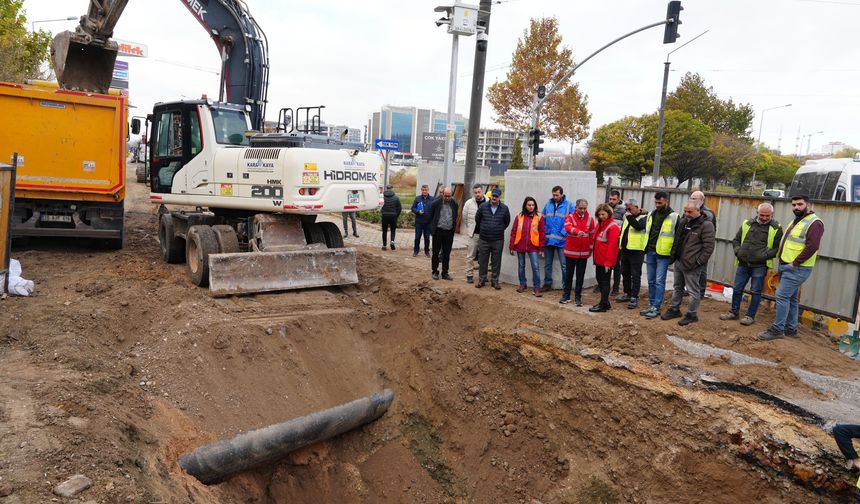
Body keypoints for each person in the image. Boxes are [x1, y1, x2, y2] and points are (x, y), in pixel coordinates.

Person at [758, 195, 825, 341]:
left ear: (808, 204)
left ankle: (777, 330)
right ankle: (790, 328)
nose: (796, 207)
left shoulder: (815, 223)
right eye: (794, 205)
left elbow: (813, 246)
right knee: (792, 299)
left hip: (796, 268)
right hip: (787, 266)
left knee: (781, 296)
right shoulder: (798, 220)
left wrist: (794, 263)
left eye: (799, 204)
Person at [720, 203, 783, 326]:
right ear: (757, 213)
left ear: (772, 215)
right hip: (743, 263)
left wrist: (763, 256)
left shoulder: (776, 228)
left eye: (767, 216)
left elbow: (777, 248)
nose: (764, 218)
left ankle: (750, 316)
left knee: (755, 291)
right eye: (762, 215)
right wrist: (738, 251)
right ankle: (734, 312)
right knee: (737, 289)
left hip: (760, 265)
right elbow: (736, 240)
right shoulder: (747, 224)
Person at [660, 201, 716, 326]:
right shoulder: (683, 222)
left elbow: (709, 248)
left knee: (693, 291)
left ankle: (692, 314)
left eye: (690, 212)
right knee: (677, 287)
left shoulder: (706, 225)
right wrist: (673, 256)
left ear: (698, 211)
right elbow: (677, 240)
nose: (686, 214)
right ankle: (674, 309)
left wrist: (698, 262)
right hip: (680, 261)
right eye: (685, 211)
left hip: (692, 264)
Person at [640, 192, 679, 319]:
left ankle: (656, 307)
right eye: (656, 203)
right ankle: (652, 305)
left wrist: (673, 254)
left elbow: (677, 238)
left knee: (659, 281)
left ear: (666, 201)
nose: (657, 205)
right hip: (651, 251)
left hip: (663, 254)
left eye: (660, 203)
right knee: (651, 280)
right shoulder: (651, 214)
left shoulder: (674, 216)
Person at [559, 199, 595, 306]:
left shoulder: (590, 219)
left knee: (580, 276)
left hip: (583, 253)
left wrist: (591, 249)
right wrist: (577, 231)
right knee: (568, 275)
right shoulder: (569, 217)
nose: (583, 210)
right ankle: (566, 295)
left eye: (585, 208)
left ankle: (578, 298)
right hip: (571, 252)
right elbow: (567, 227)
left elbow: (592, 235)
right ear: (576, 207)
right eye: (581, 208)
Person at [474, 188, 511, 289]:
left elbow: (507, 222)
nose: (494, 198)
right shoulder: (483, 206)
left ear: (499, 197)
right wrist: (484, 227)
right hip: (484, 239)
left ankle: (494, 281)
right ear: (490, 197)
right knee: (483, 260)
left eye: (496, 196)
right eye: (493, 196)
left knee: (496, 261)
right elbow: (477, 219)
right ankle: (482, 280)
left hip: (497, 240)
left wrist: (499, 229)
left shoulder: (504, 208)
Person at [509, 196, 546, 296]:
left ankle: (537, 288)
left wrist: (541, 248)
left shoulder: (539, 216)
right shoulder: (519, 216)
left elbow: (542, 233)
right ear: (525, 206)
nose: (531, 207)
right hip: (520, 245)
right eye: (529, 205)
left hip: (533, 246)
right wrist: (511, 246)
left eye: (533, 205)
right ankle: (522, 284)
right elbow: (514, 231)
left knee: (535, 267)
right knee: (521, 266)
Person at [616, 198, 647, 309]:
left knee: (635, 275)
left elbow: (638, 226)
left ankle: (634, 297)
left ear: (637, 207)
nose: (627, 211)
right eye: (626, 209)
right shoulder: (628, 217)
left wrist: (628, 216)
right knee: (625, 273)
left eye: (629, 208)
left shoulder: (644, 217)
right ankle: (627, 293)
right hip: (625, 250)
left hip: (637, 251)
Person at [590, 203, 621, 312]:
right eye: (599, 214)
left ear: (609, 213)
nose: (601, 216)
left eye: (603, 214)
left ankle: (603, 305)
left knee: (604, 281)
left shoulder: (612, 227)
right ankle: (605, 302)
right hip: (599, 259)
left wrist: (608, 262)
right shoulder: (601, 224)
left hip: (605, 261)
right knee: (600, 280)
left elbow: (613, 246)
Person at [542, 186, 574, 292]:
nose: (555, 197)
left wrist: (563, 233)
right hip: (548, 240)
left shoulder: (569, 205)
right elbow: (543, 219)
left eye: (557, 195)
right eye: (553, 195)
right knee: (547, 264)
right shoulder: (548, 204)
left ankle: (566, 286)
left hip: (562, 241)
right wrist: (545, 232)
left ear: (562, 194)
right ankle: (547, 284)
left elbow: (572, 220)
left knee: (564, 265)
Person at [428, 187, 458, 280]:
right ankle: (435, 271)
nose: (448, 198)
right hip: (438, 231)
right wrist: (432, 230)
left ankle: (445, 272)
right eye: (446, 196)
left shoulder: (454, 203)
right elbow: (431, 216)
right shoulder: (435, 203)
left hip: (449, 232)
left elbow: (455, 215)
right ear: (442, 194)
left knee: (446, 253)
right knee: (436, 252)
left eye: (449, 196)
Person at [690, 190, 717, 297]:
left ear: (702, 200)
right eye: (691, 198)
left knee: (701, 269)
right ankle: (692, 288)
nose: (692, 200)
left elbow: (708, 231)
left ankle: (701, 291)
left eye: (694, 198)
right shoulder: (690, 210)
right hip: (691, 245)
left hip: (701, 245)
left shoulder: (708, 213)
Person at [460, 184, 486, 284]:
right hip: (473, 234)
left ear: (482, 191)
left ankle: (482, 275)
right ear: (473, 193)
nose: (477, 194)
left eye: (479, 192)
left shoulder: (488, 202)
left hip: (485, 235)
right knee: (470, 255)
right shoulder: (469, 203)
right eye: (475, 193)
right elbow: (464, 217)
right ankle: (469, 275)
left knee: (484, 256)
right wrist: (470, 228)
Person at [607, 190, 626, 296]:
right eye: (610, 199)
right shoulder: (606, 208)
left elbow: (624, 227)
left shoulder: (623, 211)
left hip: (617, 242)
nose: (611, 201)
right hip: (606, 242)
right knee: (605, 264)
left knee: (617, 266)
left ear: (618, 199)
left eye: (614, 199)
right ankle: (604, 285)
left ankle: (616, 287)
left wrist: (620, 243)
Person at [411, 185, 434, 257]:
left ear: (428, 190)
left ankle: (427, 251)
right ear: (421, 190)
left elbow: (434, 209)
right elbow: (413, 208)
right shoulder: (417, 198)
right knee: (417, 237)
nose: (424, 191)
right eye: (423, 190)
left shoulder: (432, 199)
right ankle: (416, 251)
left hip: (428, 222)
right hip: (419, 222)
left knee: (427, 238)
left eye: (426, 190)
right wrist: (418, 212)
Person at [380, 185, 401, 250]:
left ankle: (384, 246)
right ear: (392, 189)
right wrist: (396, 215)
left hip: (385, 215)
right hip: (393, 216)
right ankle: (392, 241)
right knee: (393, 230)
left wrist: (382, 212)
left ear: (387, 189)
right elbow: (399, 208)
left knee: (384, 231)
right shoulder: (396, 197)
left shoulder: (383, 197)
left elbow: (380, 205)